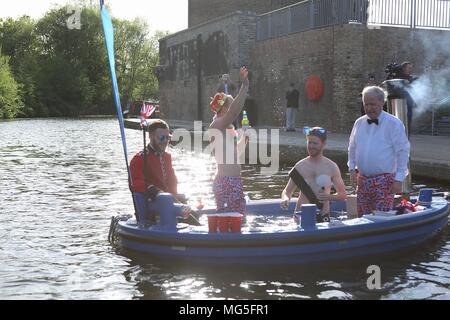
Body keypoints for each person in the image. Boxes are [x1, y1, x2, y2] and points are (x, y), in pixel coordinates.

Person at [348, 86, 410, 217]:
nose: (369, 108)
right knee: (362, 218)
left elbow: (403, 152)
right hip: (363, 180)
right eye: (366, 104)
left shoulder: (394, 124)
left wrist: (399, 179)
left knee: (381, 217)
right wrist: (352, 169)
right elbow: (352, 147)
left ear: (382, 102)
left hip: (384, 181)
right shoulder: (359, 123)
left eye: (373, 104)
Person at [130, 119, 191, 227]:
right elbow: (135, 182)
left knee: (184, 202)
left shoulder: (167, 157)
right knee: (165, 199)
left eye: (168, 137)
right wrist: (155, 191)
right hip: (151, 202)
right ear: (151, 137)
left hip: (169, 201)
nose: (165, 141)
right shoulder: (139, 159)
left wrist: (175, 198)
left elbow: (172, 181)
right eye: (162, 137)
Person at [280, 127, 347, 218]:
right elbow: (287, 191)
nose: (311, 146)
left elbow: (342, 195)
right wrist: (285, 199)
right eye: (309, 142)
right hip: (301, 216)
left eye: (315, 143)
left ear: (323, 144)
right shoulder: (300, 166)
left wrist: (329, 197)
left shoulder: (332, 167)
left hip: (323, 215)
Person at [209, 66, 249, 216]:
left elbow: (236, 152)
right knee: (229, 222)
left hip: (234, 180)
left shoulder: (227, 128)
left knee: (239, 221)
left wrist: (245, 137)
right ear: (224, 109)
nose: (236, 111)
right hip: (226, 181)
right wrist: (245, 86)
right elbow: (234, 112)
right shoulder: (216, 125)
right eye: (231, 105)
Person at [397, 61, 417, 137]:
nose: (410, 70)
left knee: (407, 125)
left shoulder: (410, 79)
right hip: (399, 104)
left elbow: (413, 91)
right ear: (403, 68)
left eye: (411, 68)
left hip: (408, 106)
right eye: (409, 68)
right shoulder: (398, 78)